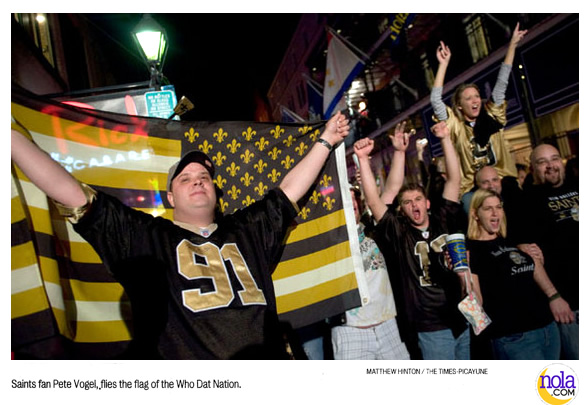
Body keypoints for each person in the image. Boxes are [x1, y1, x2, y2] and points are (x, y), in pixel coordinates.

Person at [11, 111, 350, 360]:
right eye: (185, 179)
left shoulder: (247, 230)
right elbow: (71, 193)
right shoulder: (146, 238)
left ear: (216, 192)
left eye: (203, 176)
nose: (197, 180)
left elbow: (288, 191)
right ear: (170, 198)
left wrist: (327, 140)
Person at [354, 121, 469, 360]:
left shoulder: (443, 220)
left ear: (427, 203)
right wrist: (364, 160)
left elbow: (455, 180)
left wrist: (445, 138)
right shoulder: (399, 233)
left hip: (461, 316)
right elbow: (376, 201)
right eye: (407, 202)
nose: (414, 204)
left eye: (418, 199)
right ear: (401, 209)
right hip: (430, 326)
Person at [466, 189, 574, 359]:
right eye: (488, 209)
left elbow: (530, 270)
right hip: (514, 338)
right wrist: (462, 275)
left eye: (498, 207)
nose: (495, 213)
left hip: (547, 329)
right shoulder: (471, 250)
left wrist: (554, 295)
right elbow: (473, 310)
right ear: (475, 214)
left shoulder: (510, 241)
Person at [431, 23, 527, 196]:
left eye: (476, 96)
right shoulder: (457, 127)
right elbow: (435, 100)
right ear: (459, 105)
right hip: (472, 189)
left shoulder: (491, 117)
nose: (475, 100)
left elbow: (502, 82)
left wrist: (512, 45)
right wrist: (443, 65)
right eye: (468, 98)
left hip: (503, 180)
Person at [330, 185, 410, 360]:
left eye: (355, 198)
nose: (352, 202)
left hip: (388, 325)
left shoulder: (375, 233)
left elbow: (390, 189)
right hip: (350, 332)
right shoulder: (327, 243)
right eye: (346, 198)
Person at [517, 144, 579, 359]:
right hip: (570, 303)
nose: (550, 166)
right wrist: (554, 296)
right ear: (533, 168)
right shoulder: (527, 202)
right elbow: (530, 255)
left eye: (554, 159)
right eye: (542, 162)